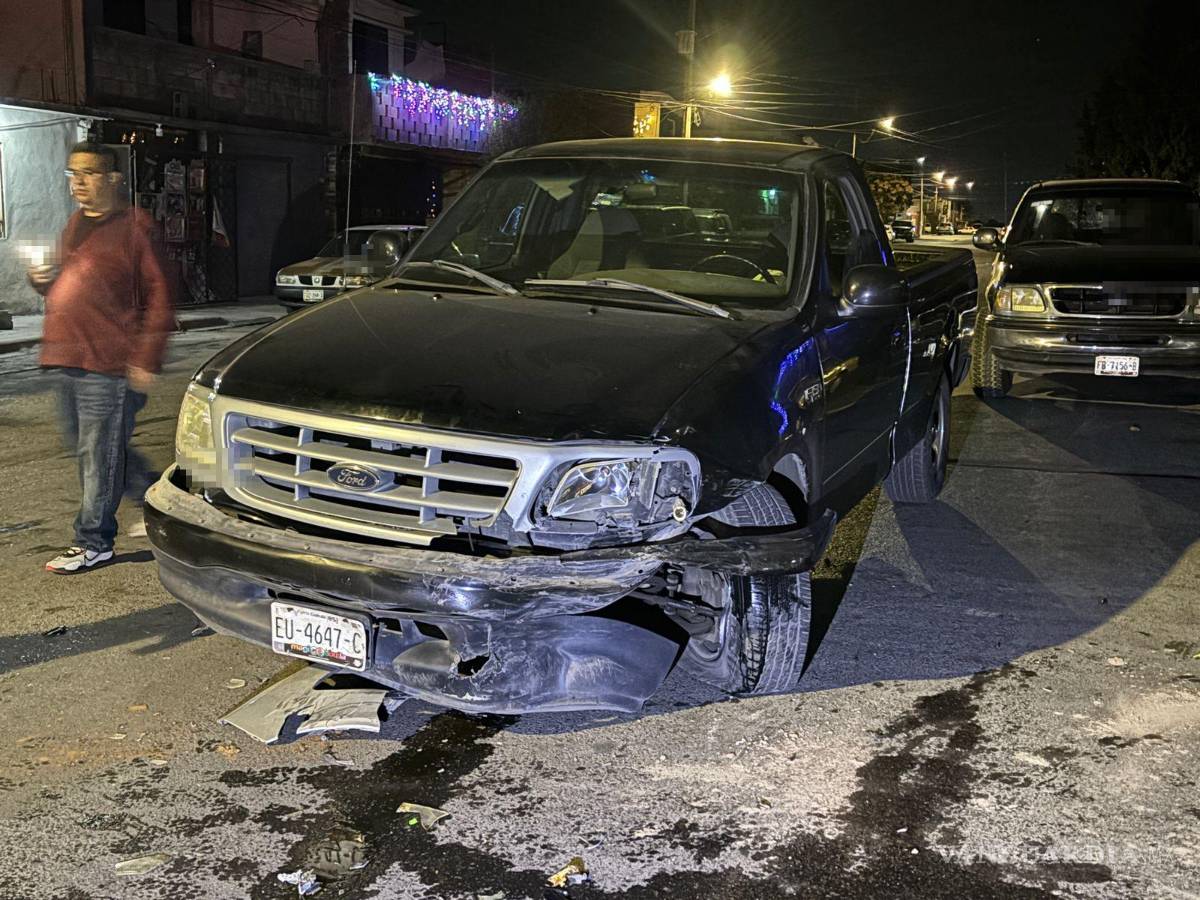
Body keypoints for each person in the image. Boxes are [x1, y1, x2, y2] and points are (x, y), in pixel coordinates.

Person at [29, 141, 174, 574]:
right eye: (72, 173)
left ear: (113, 179)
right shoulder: (75, 224)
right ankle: (160, 505)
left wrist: (146, 357)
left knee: (98, 455)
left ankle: (94, 542)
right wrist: (42, 280)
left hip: (108, 362)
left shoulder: (135, 227)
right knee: (97, 450)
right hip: (67, 354)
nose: (77, 182)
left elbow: (160, 293)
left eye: (88, 173)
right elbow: (67, 284)